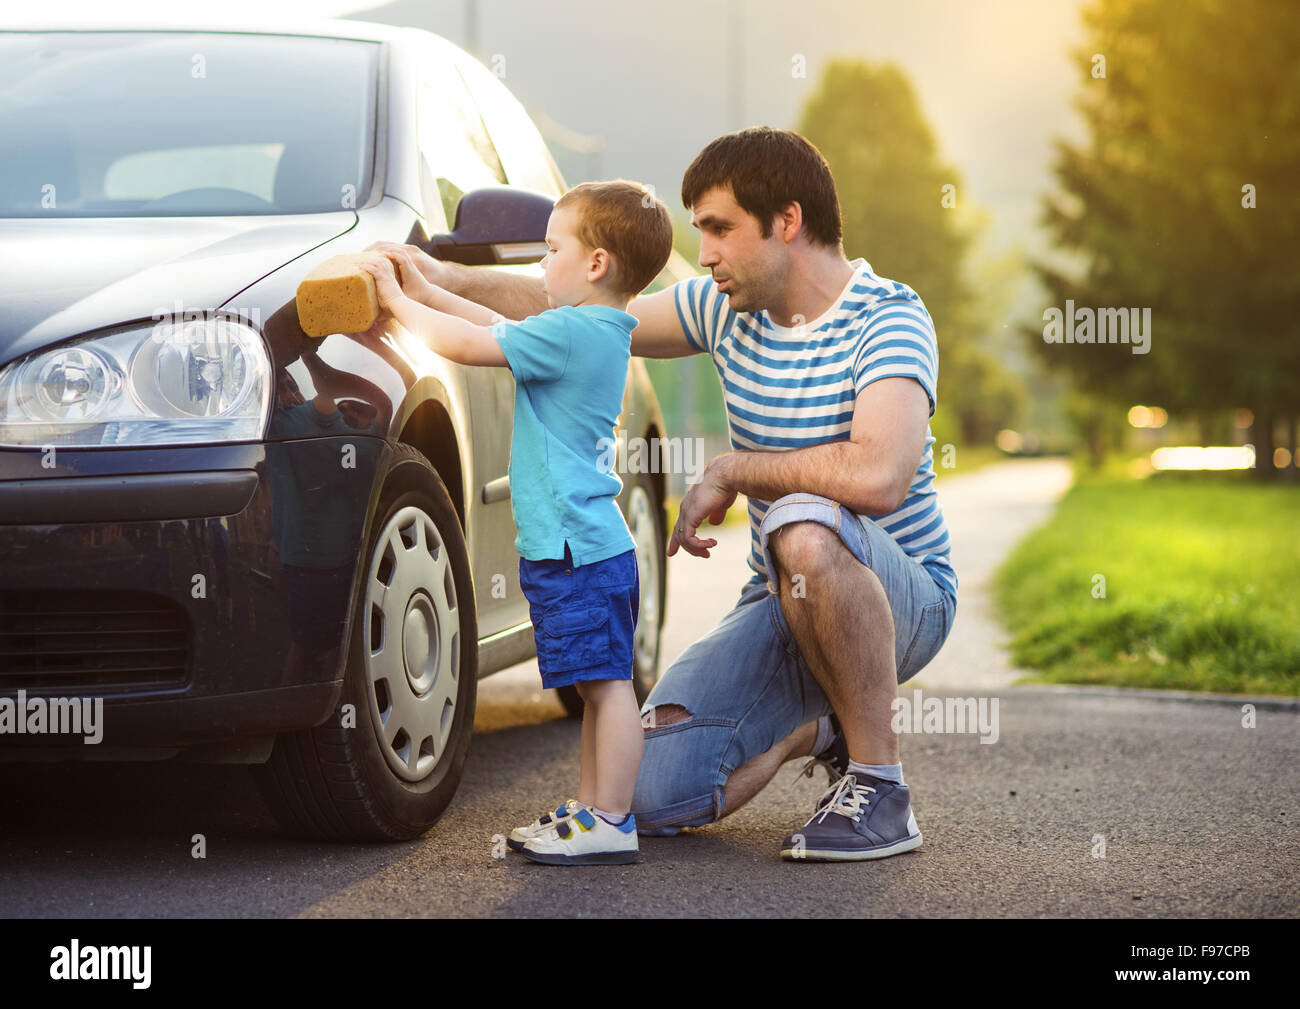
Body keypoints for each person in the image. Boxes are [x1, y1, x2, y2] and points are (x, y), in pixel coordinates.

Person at [368, 126, 958, 862]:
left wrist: (734, 469)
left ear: (788, 221)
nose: (703, 252)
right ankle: (824, 723)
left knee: (805, 521)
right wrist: (434, 279)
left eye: (719, 228)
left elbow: (878, 475)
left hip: (902, 595)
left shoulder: (888, 317)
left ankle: (881, 787)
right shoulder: (723, 307)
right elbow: (583, 310)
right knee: (643, 793)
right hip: (782, 595)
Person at [360, 179, 674, 865]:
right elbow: (477, 321)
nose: (538, 265)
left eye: (551, 249)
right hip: (584, 544)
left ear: (595, 264)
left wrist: (394, 301)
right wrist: (420, 283)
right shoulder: (595, 329)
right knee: (598, 683)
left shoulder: (569, 333)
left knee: (608, 686)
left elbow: (469, 345)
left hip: (577, 547)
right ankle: (596, 810)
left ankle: (613, 817)